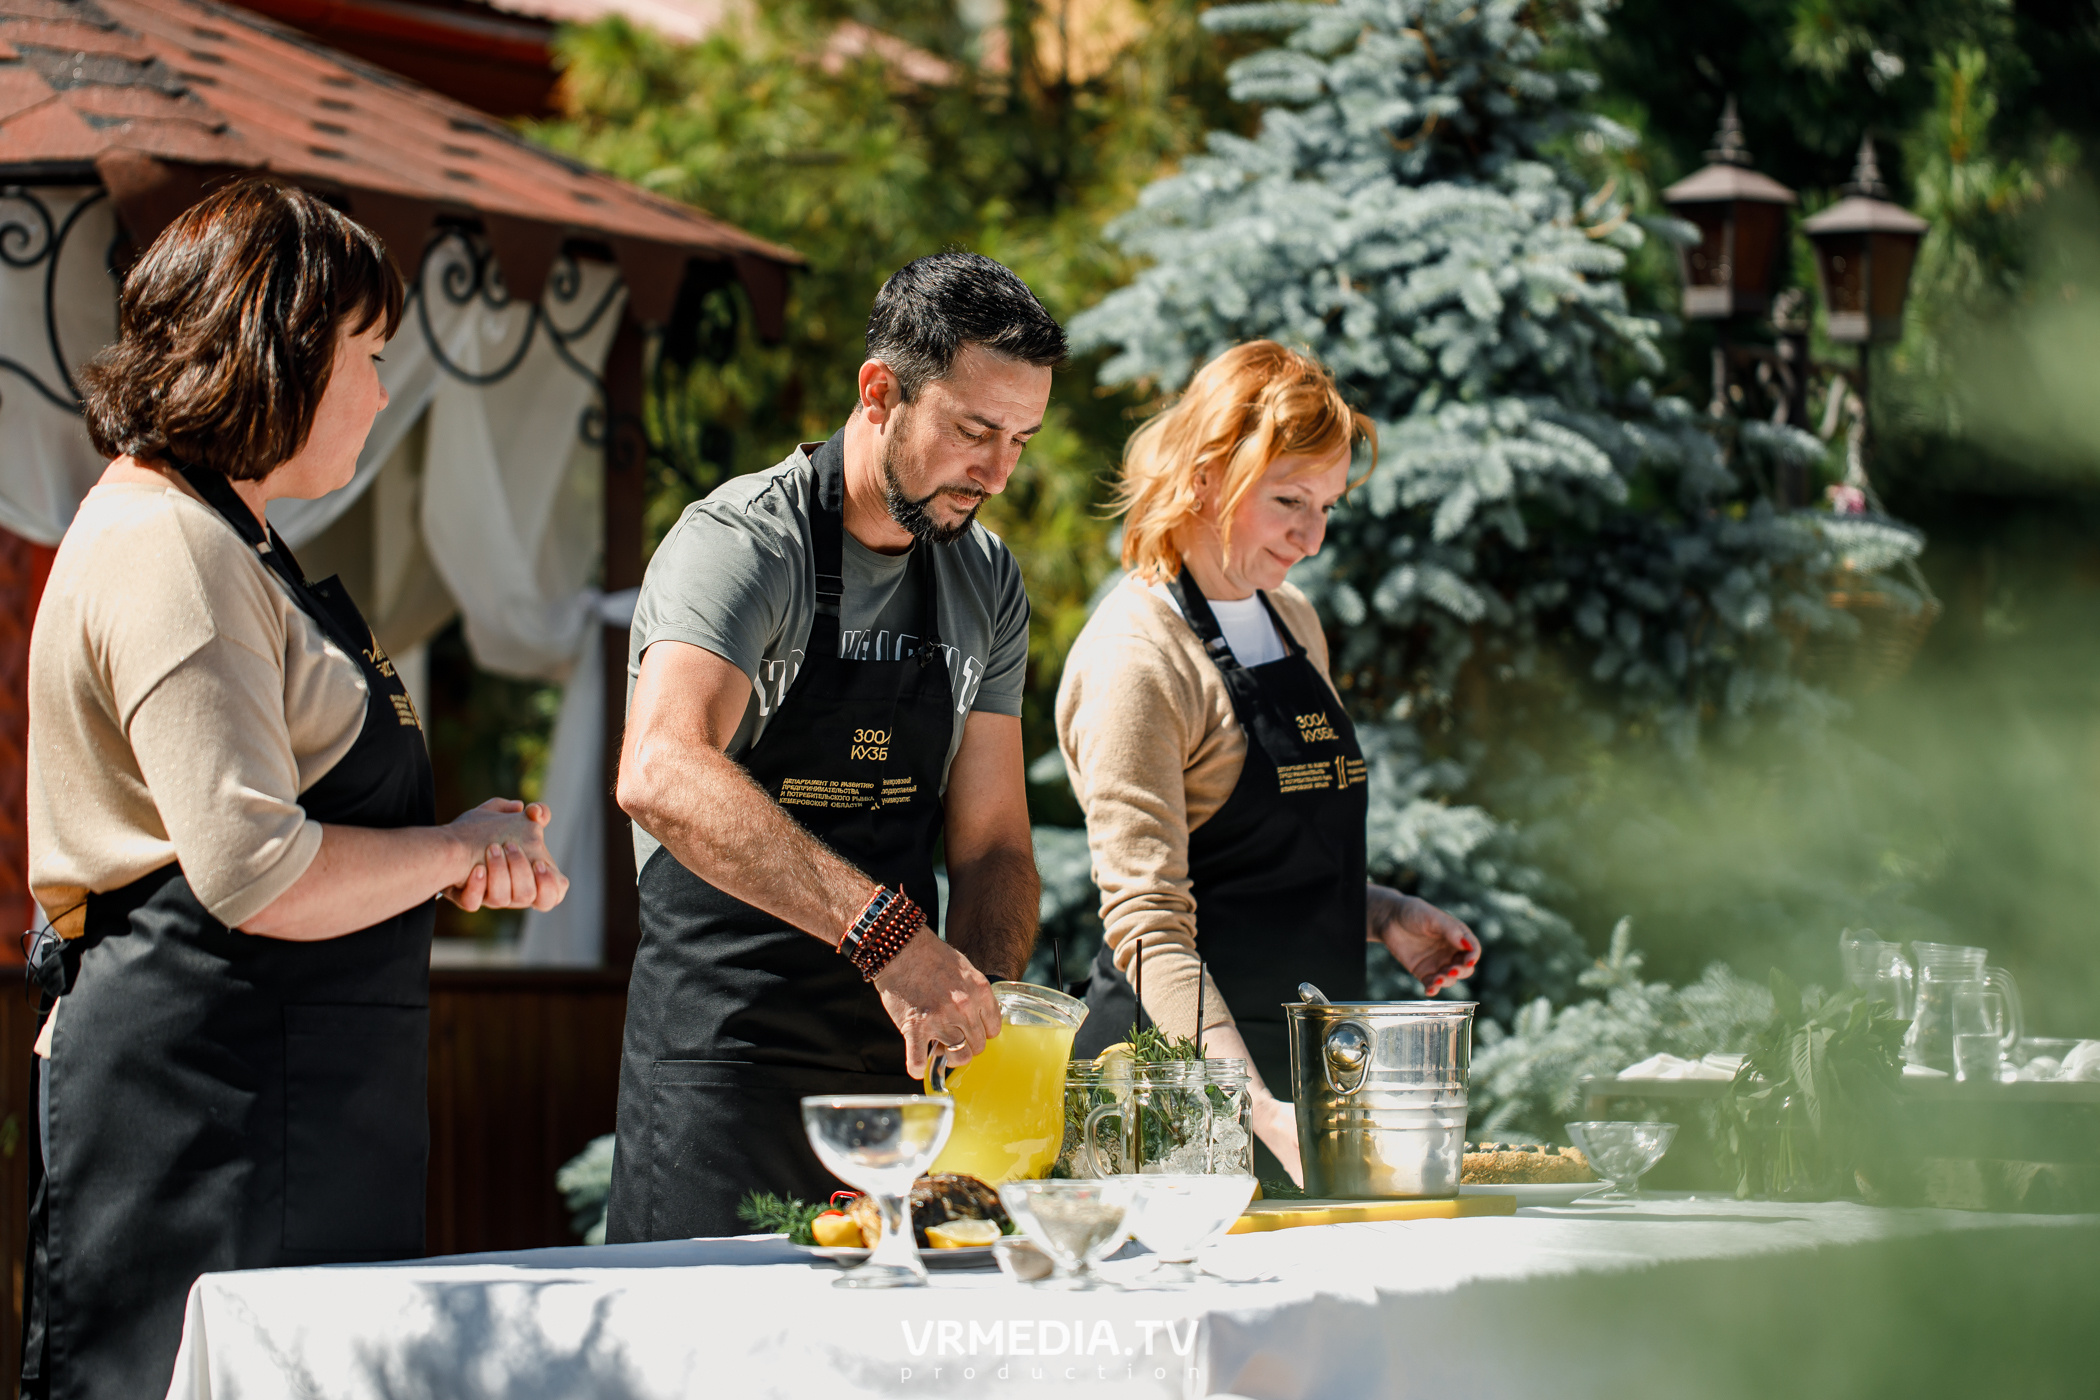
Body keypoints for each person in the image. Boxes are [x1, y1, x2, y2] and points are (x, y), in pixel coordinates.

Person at [23, 179, 570, 1400]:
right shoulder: (169, 544)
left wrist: (448, 848)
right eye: (368, 354)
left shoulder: (240, 540)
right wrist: (448, 848)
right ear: (279, 351)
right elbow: (256, 870)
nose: (382, 392)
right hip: (201, 1113)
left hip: (292, 1098)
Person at [607, 252, 1058, 1239]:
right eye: (974, 430)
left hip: (901, 1099)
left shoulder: (986, 582)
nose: (995, 473)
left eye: (1020, 440)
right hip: (724, 1071)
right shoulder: (741, 542)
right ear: (880, 391)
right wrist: (892, 942)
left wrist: (976, 1020)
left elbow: (992, 847)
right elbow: (661, 769)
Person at [1059, 341, 1479, 1183]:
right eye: (1290, 500)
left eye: (1327, 505)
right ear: (1207, 475)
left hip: (1299, 1092)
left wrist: (1381, 911)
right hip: (1177, 1102)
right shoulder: (1136, 658)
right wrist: (1252, 1108)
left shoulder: (1291, 619)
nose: (1313, 537)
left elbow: (1254, 865)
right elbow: (1149, 929)